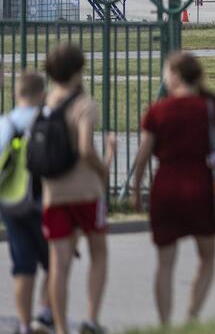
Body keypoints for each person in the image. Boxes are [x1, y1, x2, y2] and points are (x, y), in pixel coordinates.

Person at [132, 52, 215, 326]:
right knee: (207, 256)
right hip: (200, 183)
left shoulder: (158, 111)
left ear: (174, 74)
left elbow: (143, 155)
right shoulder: (209, 107)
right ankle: (192, 316)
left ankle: (164, 323)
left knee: (165, 263)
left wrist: (137, 189)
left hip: (166, 186)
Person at [41, 44, 115, 334]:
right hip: (86, 190)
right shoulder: (84, 104)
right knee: (99, 251)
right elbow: (85, 148)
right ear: (77, 69)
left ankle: (60, 327)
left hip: (53, 192)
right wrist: (104, 164)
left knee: (58, 264)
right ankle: (91, 318)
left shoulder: (46, 103)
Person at [0, 72, 54, 334]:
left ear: (16, 94)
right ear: (42, 94)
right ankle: (44, 311)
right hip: (42, 200)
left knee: (22, 265)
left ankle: (23, 325)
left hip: (10, 201)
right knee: (54, 261)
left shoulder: (5, 123)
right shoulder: (46, 121)